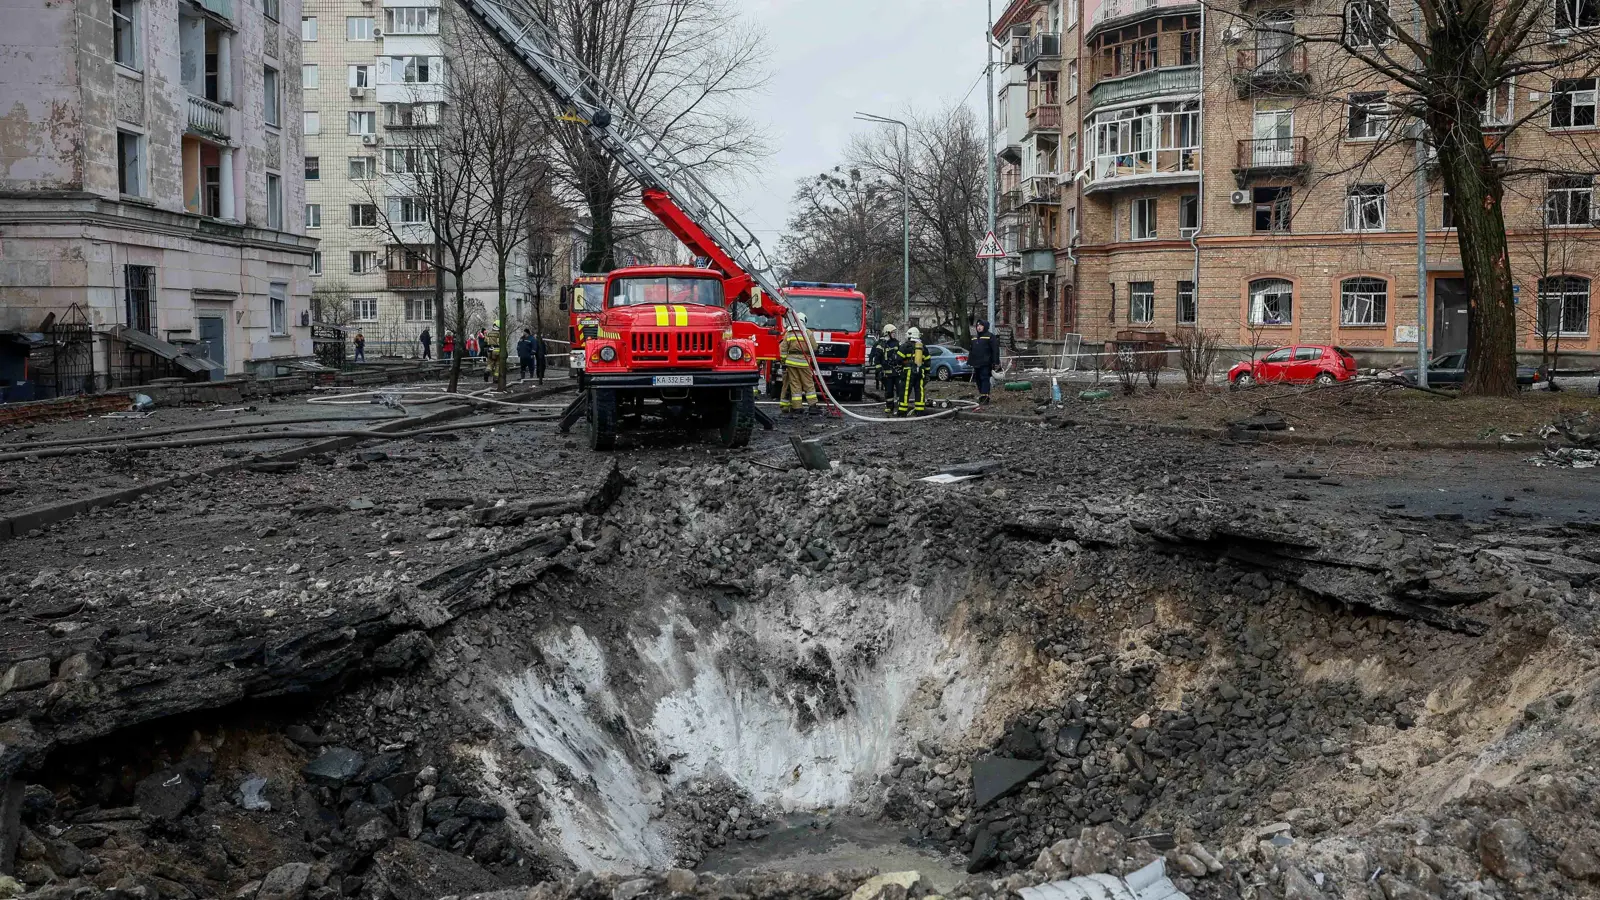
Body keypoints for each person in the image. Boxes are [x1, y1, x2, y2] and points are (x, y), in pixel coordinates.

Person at [778, 313, 819, 415]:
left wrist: (783, 361)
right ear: (804, 321)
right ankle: (812, 406)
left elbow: (783, 349)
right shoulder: (807, 333)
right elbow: (814, 347)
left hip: (791, 363)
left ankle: (797, 407)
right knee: (808, 384)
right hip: (804, 362)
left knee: (795, 384)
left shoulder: (788, 332)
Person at [898, 326, 928, 417]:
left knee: (905, 391)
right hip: (920, 372)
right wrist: (927, 373)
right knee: (920, 391)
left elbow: (898, 360)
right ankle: (920, 411)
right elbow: (927, 361)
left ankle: (902, 412)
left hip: (908, 372)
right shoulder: (923, 347)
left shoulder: (904, 346)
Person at [969, 320, 996, 404]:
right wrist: (970, 361)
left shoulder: (990, 336)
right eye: (977, 326)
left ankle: (985, 397)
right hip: (976, 363)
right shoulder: (974, 337)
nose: (979, 327)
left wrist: (995, 362)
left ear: (985, 326)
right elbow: (971, 350)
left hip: (986, 363)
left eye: (981, 325)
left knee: (984, 378)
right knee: (978, 379)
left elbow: (995, 350)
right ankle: (982, 394)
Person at [869, 324, 897, 393]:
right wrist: (879, 370)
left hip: (896, 373)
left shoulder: (897, 343)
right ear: (887, 333)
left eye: (894, 332)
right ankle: (879, 386)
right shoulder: (881, 344)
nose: (894, 334)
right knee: (888, 392)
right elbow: (876, 357)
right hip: (885, 372)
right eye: (893, 332)